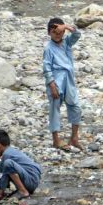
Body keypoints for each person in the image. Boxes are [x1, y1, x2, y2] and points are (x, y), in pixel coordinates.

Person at [43, 18, 83, 151]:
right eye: (54, 31)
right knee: (55, 109)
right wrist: (52, 85)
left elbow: (77, 34)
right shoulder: (48, 48)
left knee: (75, 106)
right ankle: (56, 139)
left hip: (69, 80)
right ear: (49, 33)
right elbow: (46, 67)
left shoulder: (67, 43)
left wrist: (65, 26)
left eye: (59, 31)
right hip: (57, 81)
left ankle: (74, 137)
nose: (57, 34)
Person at [0, 129, 41, 203]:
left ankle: (23, 191)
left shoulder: (7, 154)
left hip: (31, 180)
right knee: (8, 167)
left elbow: (4, 176)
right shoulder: (12, 151)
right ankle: (22, 189)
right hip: (33, 180)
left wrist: (1, 193)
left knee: (8, 163)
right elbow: (6, 174)